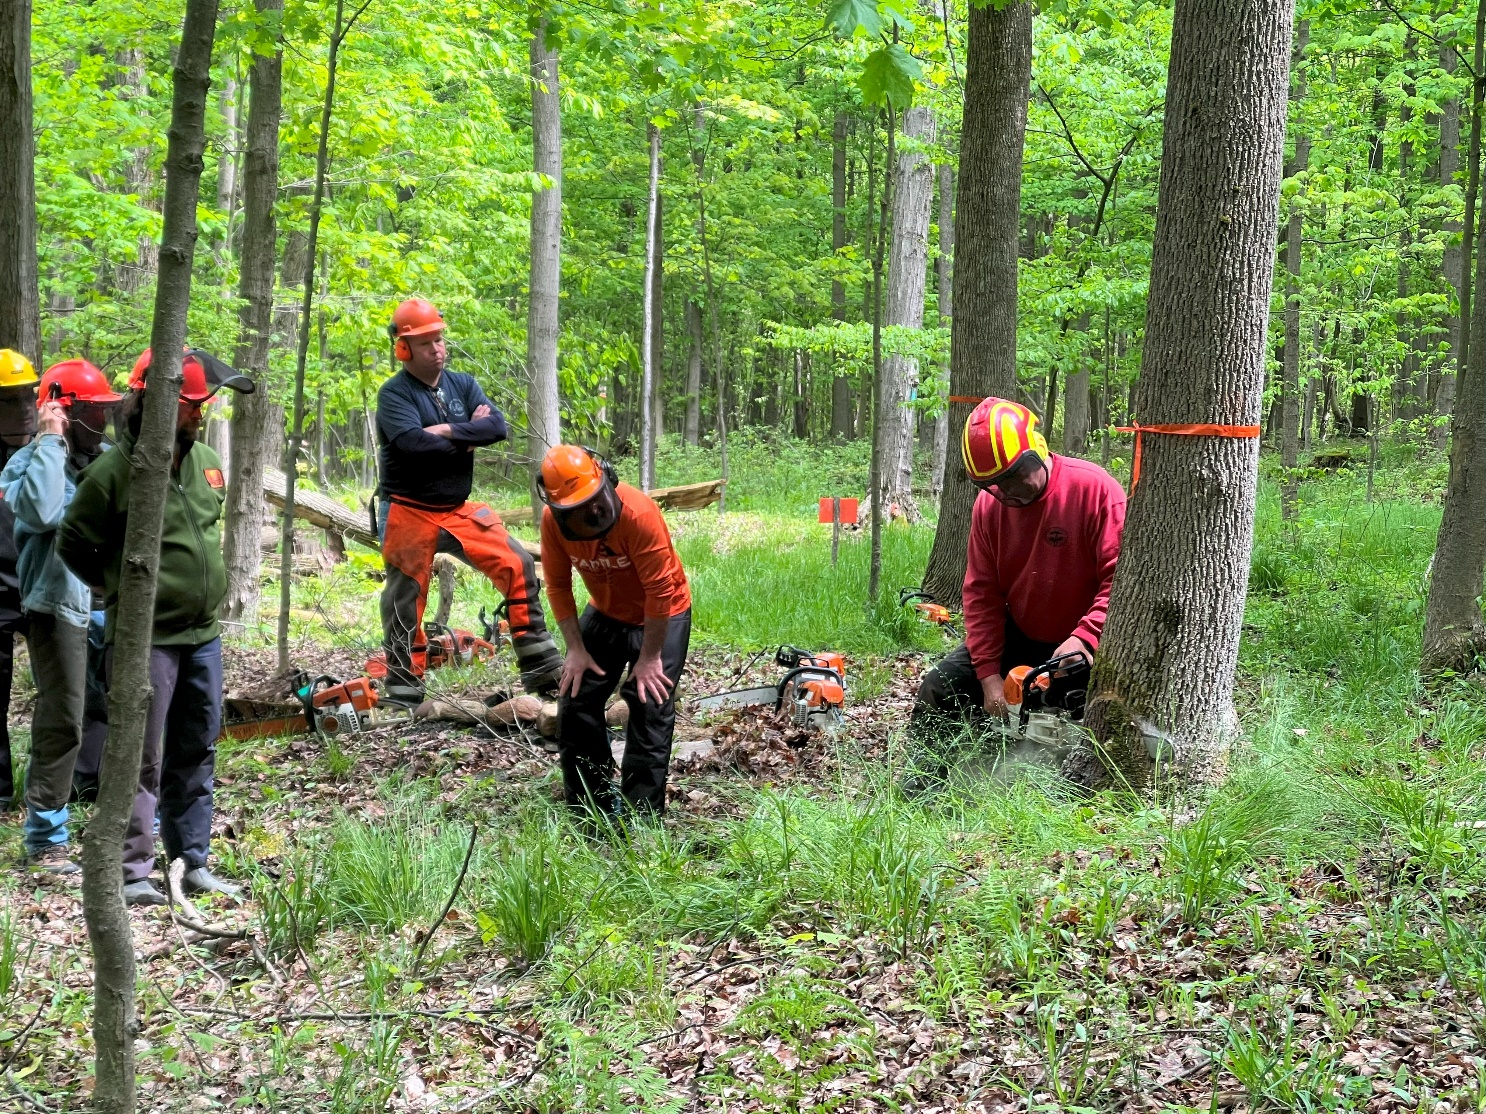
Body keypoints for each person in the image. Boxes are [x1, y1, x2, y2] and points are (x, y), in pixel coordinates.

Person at [58, 347, 253, 905]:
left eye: (202, 404)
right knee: (139, 755)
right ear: (157, 402)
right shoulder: (115, 472)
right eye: (192, 405)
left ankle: (191, 861)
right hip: (146, 639)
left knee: (196, 746)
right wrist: (116, 587)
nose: (201, 413)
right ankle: (132, 871)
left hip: (203, 636)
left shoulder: (203, 460)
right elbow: (72, 542)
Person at [909, 397, 1126, 765]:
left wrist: (1084, 637)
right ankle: (925, 783)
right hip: (1021, 632)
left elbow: (1118, 582)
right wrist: (989, 675)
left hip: (1084, 640)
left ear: (1036, 452)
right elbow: (981, 594)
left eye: (1012, 477)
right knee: (940, 687)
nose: (1006, 492)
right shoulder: (989, 508)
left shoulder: (1094, 491)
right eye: (993, 484)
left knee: (1071, 711)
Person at [376, 298, 562, 703]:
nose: (437, 349)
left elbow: (497, 427)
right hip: (407, 509)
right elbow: (412, 445)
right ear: (404, 349)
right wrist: (465, 435)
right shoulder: (394, 395)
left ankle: (541, 666)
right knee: (405, 598)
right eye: (426, 344)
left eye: (439, 340)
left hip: (457, 508)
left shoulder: (462, 383)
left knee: (518, 562)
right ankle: (403, 687)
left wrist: (443, 431)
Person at [4, 360, 120, 876]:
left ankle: (127, 819)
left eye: (107, 410)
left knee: (119, 709)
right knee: (63, 720)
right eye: (94, 411)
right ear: (66, 413)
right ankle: (46, 839)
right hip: (57, 608)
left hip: (111, 606)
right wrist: (50, 442)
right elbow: (43, 514)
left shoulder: (112, 458)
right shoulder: (27, 464)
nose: (103, 420)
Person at [537, 445, 691, 819]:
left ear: (605, 478)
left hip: (663, 613)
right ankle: (591, 808)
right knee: (575, 700)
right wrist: (575, 648)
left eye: (594, 499)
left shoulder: (638, 514)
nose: (592, 510)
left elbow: (659, 591)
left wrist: (650, 657)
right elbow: (557, 585)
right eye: (578, 508)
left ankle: (642, 816)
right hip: (605, 612)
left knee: (650, 702)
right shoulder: (551, 524)